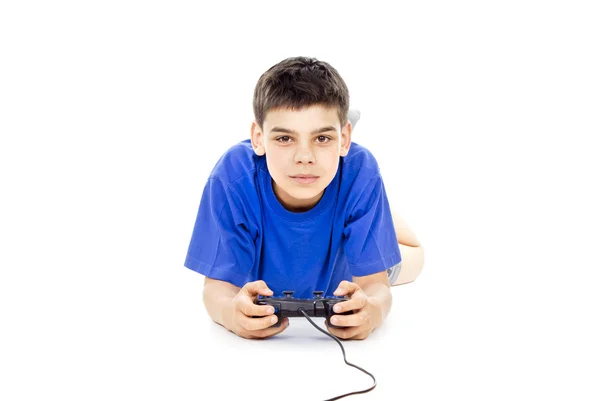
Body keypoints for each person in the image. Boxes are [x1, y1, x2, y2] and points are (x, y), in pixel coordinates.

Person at [184, 56, 424, 340]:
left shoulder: (362, 170)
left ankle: (373, 214)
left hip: (347, 265)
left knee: (415, 257)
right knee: (333, 178)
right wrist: (229, 314)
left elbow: (377, 288)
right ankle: (352, 190)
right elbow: (216, 290)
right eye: (284, 138)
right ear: (258, 138)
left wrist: (372, 311)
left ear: (345, 139)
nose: (304, 158)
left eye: (322, 138)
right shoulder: (231, 177)